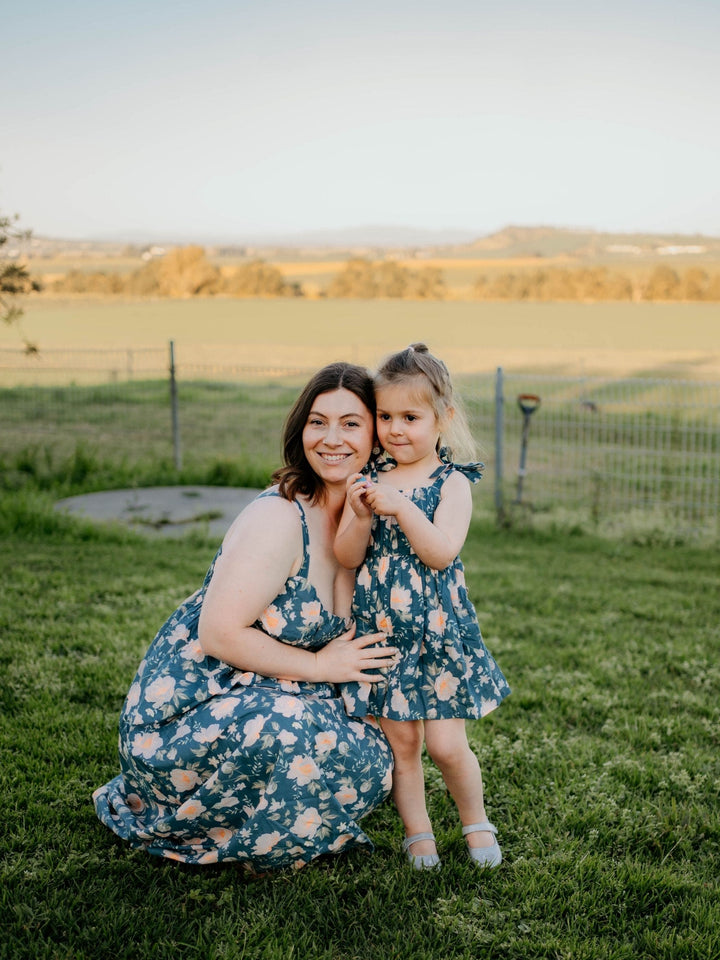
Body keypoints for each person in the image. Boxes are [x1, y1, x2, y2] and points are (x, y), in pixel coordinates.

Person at [93, 362, 398, 874]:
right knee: (290, 732)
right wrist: (323, 667)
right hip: (192, 714)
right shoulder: (278, 519)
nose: (331, 439)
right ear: (300, 430)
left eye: (351, 423)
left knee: (379, 760)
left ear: (375, 434)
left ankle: (281, 809)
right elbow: (218, 634)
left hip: (277, 692)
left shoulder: (359, 515)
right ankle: (259, 834)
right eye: (317, 422)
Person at [335, 343, 510, 870]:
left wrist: (402, 507)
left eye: (410, 417)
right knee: (403, 744)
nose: (395, 429)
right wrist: (360, 514)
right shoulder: (370, 479)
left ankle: (475, 822)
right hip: (384, 634)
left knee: (446, 744)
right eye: (385, 416)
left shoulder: (452, 483)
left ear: (442, 418)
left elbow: (440, 553)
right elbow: (346, 555)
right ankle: (419, 833)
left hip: (437, 635)